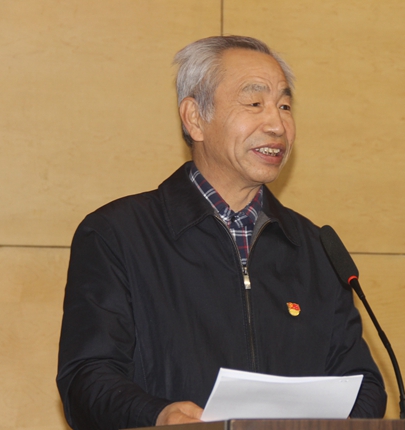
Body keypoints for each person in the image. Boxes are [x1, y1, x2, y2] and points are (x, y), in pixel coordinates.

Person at [56, 35, 387, 430]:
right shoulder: (117, 235)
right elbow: (86, 378)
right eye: (254, 104)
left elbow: (363, 384)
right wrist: (157, 415)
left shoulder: (316, 249)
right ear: (195, 118)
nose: (277, 125)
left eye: (284, 106)